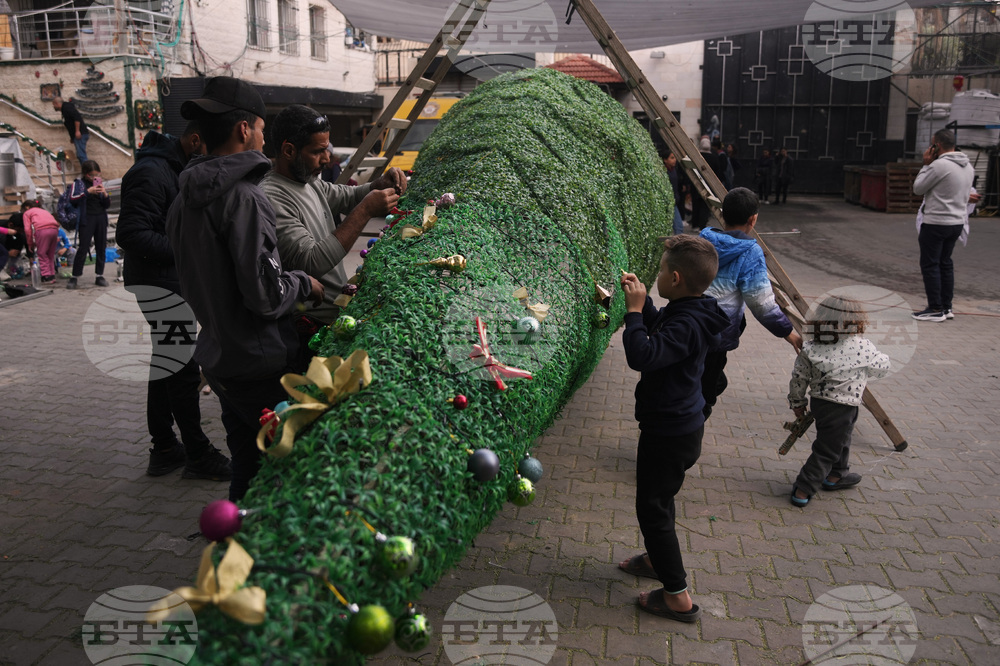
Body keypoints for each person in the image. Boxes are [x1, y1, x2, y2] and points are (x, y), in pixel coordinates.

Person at [165, 77, 324, 501]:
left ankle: (233, 552)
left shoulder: (183, 199)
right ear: (244, 131)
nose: (262, 137)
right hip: (258, 365)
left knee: (247, 467)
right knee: (291, 471)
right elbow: (265, 295)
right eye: (260, 128)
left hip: (220, 359)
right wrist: (303, 282)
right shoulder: (246, 199)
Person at [617, 235, 729, 623]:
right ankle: (656, 559)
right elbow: (662, 326)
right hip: (678, 428)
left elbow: (642, 354)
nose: (658, 275)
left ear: (676, 278)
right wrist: (644, 303)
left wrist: (633, 314)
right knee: (660, 501)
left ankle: (677, 597)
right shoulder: (690, 310)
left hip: (670, 433)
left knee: (652, 508)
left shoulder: (688, 322)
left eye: (662, 270)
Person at [117, 122, 232, 480]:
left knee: (166, 364)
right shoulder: (150, 172)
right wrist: (189, 251)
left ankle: (165, 447)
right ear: (196, 138)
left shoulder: (172, 166)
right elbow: (131, 233)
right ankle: (197, 453)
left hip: (168, 281)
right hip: (158, 285)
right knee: (182, 369)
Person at [262, 104, 403, 339]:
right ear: (288, 151)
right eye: (318, 151)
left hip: (335, 316)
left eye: (327, 149)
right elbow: (310, 262)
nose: (327, 158)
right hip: (310, 327)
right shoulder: (272, 196)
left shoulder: (309, 180)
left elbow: (346, 196)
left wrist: (379, 185)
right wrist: (366, 210)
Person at [699, 188, 802, 418]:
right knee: (704, 393)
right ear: (753, 219)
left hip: (689, 324)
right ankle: (686, 440)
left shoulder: (704, 238)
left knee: (704, 378)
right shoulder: (750, 251)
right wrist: (789, 333)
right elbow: (761, 304)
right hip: (716, 334)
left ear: (722, 215)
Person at [788, 295, 890, 507]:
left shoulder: (810, 347)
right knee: (828, 449)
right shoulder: (863, 347)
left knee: (839, 438)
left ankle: (837, 475)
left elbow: (799, 378)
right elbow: (882, 368)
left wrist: (797, 403)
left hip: (820, 403)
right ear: (856, 322)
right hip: (844, 406)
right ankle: (803, 488)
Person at [911, 129, 975, 322]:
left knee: (930, 264)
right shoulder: (968, 166)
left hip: (936, 222)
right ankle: (946, 307)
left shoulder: (939, 166)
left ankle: (935, 308)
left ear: (936, 146)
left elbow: (918, 188)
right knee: (945, 264)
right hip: (956, 222)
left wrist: (925, 165)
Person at [67, 160, 110, 289]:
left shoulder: (99, 184)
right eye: (91, 175)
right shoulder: (79, 184)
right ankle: (75, 276)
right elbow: (72, 199)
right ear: (86, 175)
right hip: (87, 218)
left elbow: (106, 204)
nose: (94, 178)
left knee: (101, 246)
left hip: (101, 217)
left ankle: (99, 275)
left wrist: (105, 193)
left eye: (97, 175)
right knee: (83, 247)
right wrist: (88, 192)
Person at [21, 199, 61, 283]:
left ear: (26, 207)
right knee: (50, 254)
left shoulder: (27, 213)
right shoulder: (43, 211)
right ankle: (52, 275)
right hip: (54, 230)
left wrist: (30, 243)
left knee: (42, 253)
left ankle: (46, 276)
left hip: (42, 231)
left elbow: (27, 230)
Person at [689, 136, 719, 231]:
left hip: (696, 184)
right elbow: (718, 172)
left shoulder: (696, 157)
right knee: (705, 205)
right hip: (708, 185)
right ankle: (702, 225)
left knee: (696, 204)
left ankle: (695, 224)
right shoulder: (714, 158)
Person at [52, 96, 89, 165]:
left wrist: (77, 131)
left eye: (54, 105)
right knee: (80, 155)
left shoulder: (67, 108)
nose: (53, 107)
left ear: (56, 103)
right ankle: (86, 171)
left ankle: (88, 172)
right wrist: (72, 137)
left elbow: (77, 118)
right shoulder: (64, 109)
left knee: (81, 155)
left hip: (81, 134)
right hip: (77, 135)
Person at [662, 150, 684, 236]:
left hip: (673, 201)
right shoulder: (664, 171)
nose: (674, 160)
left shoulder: (674, 169)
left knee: (679, 227)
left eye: (674, 158)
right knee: (678, 227)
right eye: (671, 158)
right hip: (667, 202)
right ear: (665, 160)